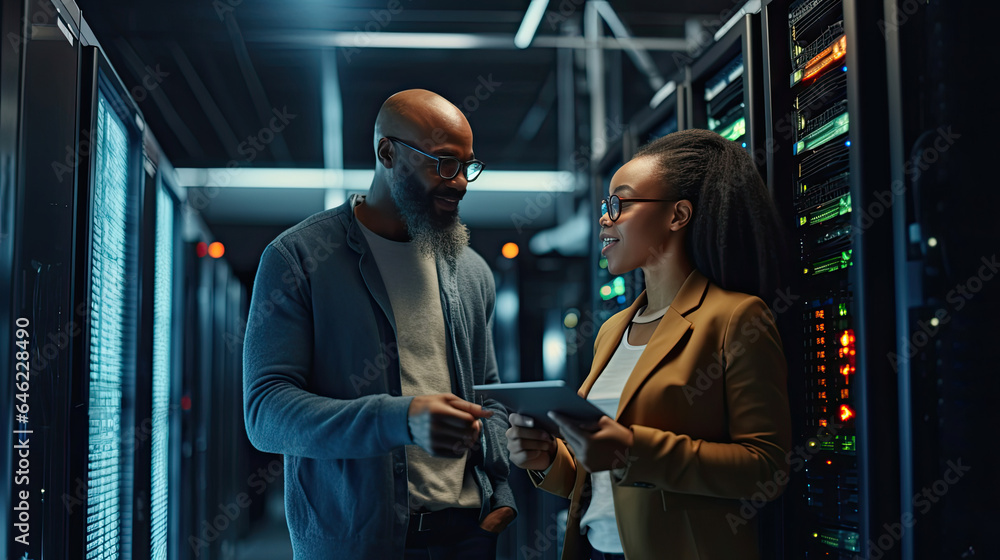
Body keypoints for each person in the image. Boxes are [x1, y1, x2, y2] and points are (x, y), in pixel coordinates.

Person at [243, 89, 516, 559]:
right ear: (387, 153)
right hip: (359, 542)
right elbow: (266, 413)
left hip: (470, 536)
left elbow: (488, 396)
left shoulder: (472, 271)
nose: (461, 183)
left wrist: (499, 495)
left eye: (468, 167)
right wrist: (399, 419)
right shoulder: (298, 258)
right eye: (444, 164)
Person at [506, 129, 792, 560]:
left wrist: (631, 449)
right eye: (605, 205)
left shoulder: (735, 317)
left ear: (677, 215)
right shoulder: (613, 329)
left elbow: (766, 468)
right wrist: (547, 459)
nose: (605, 217)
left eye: (619, 203)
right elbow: (599, 483)